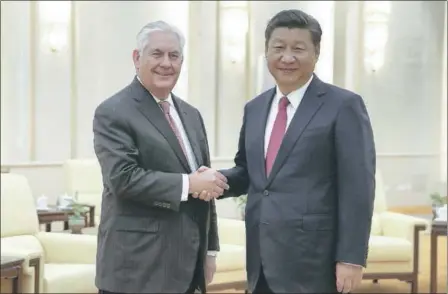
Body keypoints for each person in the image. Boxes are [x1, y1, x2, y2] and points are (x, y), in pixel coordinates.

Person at [198, 9, 376, 293]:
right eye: (278, 48)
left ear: (316, 53)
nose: (287, 57)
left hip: (314, 260)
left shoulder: (343, 106)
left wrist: (351, 258)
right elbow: (249, 172)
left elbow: (358, 188)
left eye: (298, 49)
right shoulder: (255, 108)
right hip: (261, 256)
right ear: (266, 52)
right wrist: (215, 180)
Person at [93, 20, 228, 294]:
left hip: (187, 266)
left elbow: (204, 179)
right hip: (136, 269)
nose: (166, 63)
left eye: (174, 55)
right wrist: (189, 184)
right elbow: (123, 179)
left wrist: (210, 249)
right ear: (136, 57)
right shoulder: (113, 112)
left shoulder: (191, 115)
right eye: (157, 54)